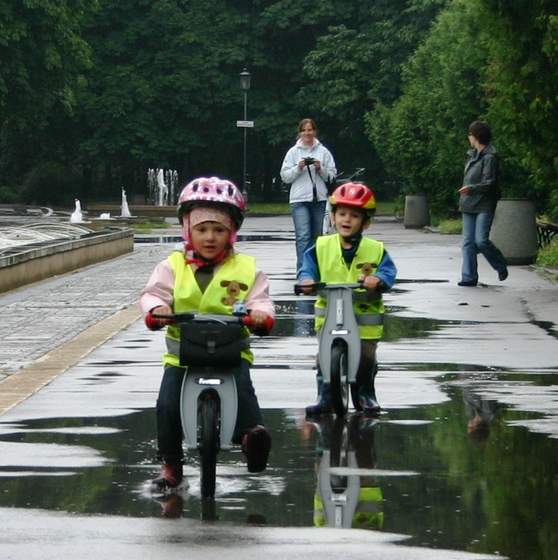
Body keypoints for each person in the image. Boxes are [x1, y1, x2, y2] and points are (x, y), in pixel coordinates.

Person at [140, 177, 275, 491]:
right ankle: (171, 464)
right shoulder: (173, 266)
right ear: (188, 229)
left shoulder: (246, 268)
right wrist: (157, 309)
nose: (210, 237)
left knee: (243, 390)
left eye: (219, 230)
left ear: (232, 232)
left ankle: (251, 437)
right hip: (182, 355)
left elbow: (261, 299)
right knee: (167, 404)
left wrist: (260, 315)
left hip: (231, 352)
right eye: (202, 229)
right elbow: (153, 293)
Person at [297, 183, 397, 416]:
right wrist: (307, 280)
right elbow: (307, 267)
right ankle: (325, 396)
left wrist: (378, 280)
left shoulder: (375, 249)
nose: (347, 219)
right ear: (333, 217)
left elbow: (388, 272)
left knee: (365, 356)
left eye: (354, 215)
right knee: (324, 355)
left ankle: (365, 393)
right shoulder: (321, 246)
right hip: (330, 314)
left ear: (366, 222)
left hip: (364, 319)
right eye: (342, 214)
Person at [280, 118, 337, 273]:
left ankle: (316, 269)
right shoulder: (293, 152)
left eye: (310, 130)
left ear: (315, 131)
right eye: (304, 130)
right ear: (300, 133)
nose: (307, 133)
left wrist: (320, 168)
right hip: (299, 200)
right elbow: (285, 176)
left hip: (319, 199)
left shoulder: (323, 152)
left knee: (317, 237)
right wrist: (298, 168)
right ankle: (303, 271)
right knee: (303, 236)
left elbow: (332, 176)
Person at [458, 120, 508, 286]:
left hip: (484, 204)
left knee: (481, 241)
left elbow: (490, 183)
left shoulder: (490, 157)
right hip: (468, 203)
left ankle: (500, 264)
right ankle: (469, 277)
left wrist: (471, 189)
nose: (469, 137)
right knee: (468, 242)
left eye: (470, 134)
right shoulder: (472, 155)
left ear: (476, 136)